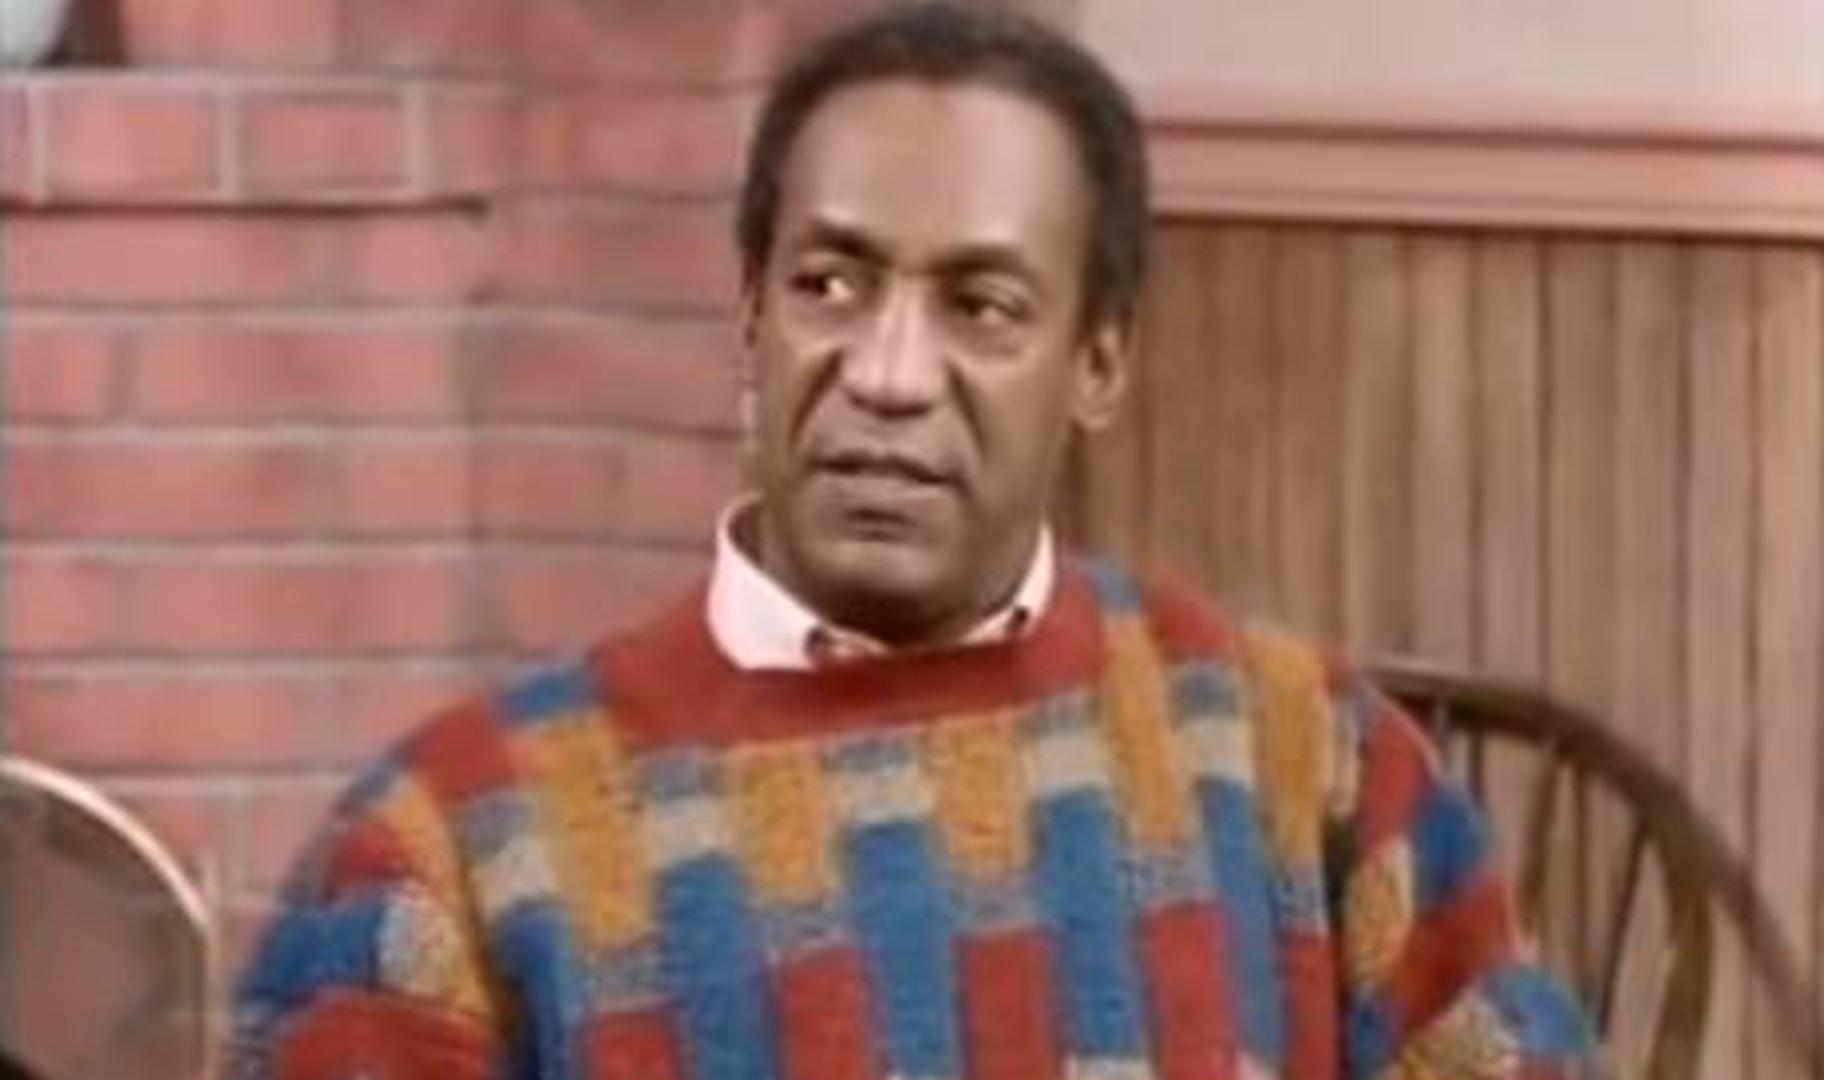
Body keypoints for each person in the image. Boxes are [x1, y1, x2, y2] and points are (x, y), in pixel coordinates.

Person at [227, 5, 1598, 1079]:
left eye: (981, 306)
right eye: (830, 284)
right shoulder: (452, 850)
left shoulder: (1308, 766)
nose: (886, 373)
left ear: (1098, 362)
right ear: (750, 315)